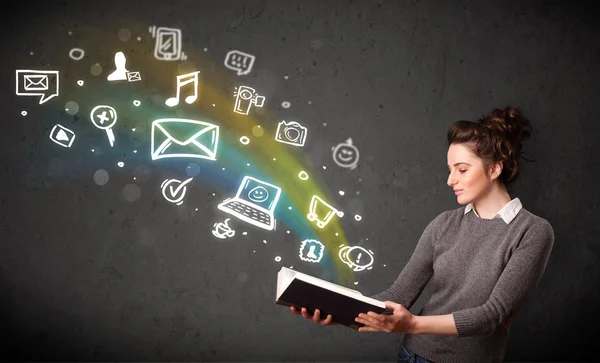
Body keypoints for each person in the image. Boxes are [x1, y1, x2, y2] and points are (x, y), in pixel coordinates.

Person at [290, 106, 555, 363]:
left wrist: (413, 324)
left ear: (495, 169)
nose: (450, 180)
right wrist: (337, 312)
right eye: (450, 170)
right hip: (413, 356)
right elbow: (399, 294)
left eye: (461, 169)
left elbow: (493, 316)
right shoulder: (443, 224)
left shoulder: (532, 231)